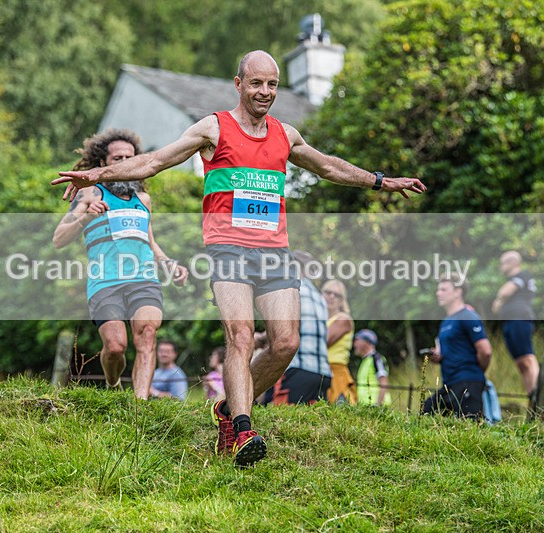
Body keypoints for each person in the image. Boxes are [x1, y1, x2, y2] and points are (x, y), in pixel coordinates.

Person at [52, 50, 426, 466]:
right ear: (238, 83)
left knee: (286, 343)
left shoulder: (286, 135)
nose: (264, 92)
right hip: (227, 247)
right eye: (256, 83)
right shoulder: (214, 127)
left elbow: (328, 167)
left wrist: (380, 181)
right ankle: (242, 430)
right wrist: (97, 175)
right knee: (241, 336)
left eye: (271, 85)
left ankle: (228, 409)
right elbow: (155, 161)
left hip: (274, 250)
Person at [52, 130, 188, 400]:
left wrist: (169, 264)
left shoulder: (144, 200)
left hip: (144, 279)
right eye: (118, 158)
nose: (125, 162)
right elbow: (58, 239)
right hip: (105, 281)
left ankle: (140, 407)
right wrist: (85, 218)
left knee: (147, 334)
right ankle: (113, 384)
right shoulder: (90, 192)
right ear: (103, 164)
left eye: (130, 157)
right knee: (115, 347)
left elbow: (149, 241)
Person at [423, 275, 492, 419]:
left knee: (469, 429)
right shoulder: (446, 321)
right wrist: (439, 355)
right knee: (428, 410)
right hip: (450, 384)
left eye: (443, 289)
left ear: (458, 292)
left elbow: (485, 351)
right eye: (438, 289)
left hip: (467, 382)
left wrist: (475, 374)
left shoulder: (468, 316)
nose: (438, 293)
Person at [271, 251, 332, 405]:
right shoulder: (318, 297)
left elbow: (283, 331)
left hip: (299, 370)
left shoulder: (292, 291)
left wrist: (260, 338)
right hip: (323, 374)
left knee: (284, 419)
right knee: (313, 425)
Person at [491, 251, 539, 399]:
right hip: (509, 322)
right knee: (520, 363)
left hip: (520, 320)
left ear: (513, 262)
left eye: (503, 263)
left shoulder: (523, 275)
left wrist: (500, 299)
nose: (500, 267)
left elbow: (504, 293)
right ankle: (531, 396)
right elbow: (495, 307)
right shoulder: (514, 279)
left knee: (528, 359)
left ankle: (538, 394)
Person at [323, 279, 356, 405]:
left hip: (336, 375)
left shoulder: (343, 319)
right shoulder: (318, 319)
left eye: (337, 295)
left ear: (342, 300)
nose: (332, 297)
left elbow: (323, 341)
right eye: (328, 292)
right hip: (318, 372)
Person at [353, 329, 391, 406]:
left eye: (357, 340)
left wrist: (378, 405)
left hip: (376, 408)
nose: (354, 344)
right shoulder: (365, 361)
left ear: (366, 342)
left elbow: (384, 382)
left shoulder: (376, 359)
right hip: (366, 408)